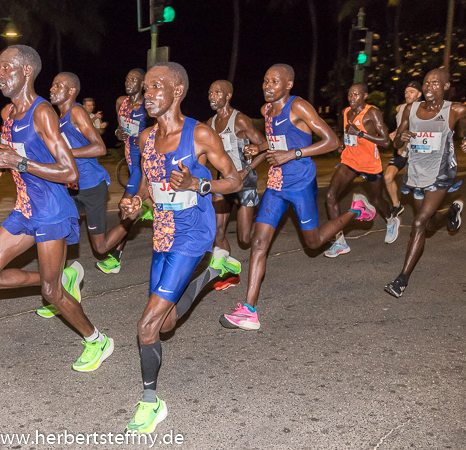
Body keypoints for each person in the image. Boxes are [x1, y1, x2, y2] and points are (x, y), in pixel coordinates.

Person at [0, 46, 113, 372]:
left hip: (51, 210)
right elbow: (10, 152)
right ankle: (59, 277)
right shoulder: (8, 115)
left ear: (25, 72)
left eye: (6, 67)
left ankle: (97, 340)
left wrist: (18, 162)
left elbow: (70, 173)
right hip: (24, 209)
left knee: (52, 293)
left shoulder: (42, 113)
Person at [119, 62, 242, 433]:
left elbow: (236, 180)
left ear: (178, 92)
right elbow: (144, 185)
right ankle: (211, 275)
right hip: (162, 232)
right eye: (147, 88)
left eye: (157, 86)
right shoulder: (144, 139)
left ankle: (150, 402)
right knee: (166, 323)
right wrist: (134, 203)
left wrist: (197, 184)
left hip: (192, 233)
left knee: (146, 325)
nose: (148, 93)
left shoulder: (200, 135)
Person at [220, 64, 376, 331]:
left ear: (289, 85)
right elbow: (277, 140)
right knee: (259, 242)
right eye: (265, 81)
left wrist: (293, 154)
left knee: (313, 242)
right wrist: (260, 148)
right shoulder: (266, 110)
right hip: (276, 183)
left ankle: (355, 210)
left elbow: (333, 142)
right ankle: (249, 310)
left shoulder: (299, 107)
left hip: (301, 183)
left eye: (274, 82)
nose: (268, 86)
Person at [35, 72, 135, 318]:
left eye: (58, 85)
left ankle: (135, 214)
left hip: (91, 186)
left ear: (71, 91)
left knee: (100, 248)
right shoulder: (57, 119)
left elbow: (99, 147)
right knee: (57, 239)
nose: (52, 88)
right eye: (52, 83)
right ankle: (60, 290)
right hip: (70, 188)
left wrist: (66, 152)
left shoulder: (76, 113)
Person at [384, 68, 466, 297]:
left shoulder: (456, 110)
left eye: (435, 83)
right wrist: (400, 139)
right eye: (426, 83)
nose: (429, 87)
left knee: (418, 222)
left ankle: (402, 279)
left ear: (445, 86)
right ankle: (450, 213)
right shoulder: (411, 109)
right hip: (415, 173)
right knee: (428, 225)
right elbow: (397, 141)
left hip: (440, 174)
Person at [206, 80, 268, 291]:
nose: (212, 96)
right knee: (217, 232)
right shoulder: (210, 124)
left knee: (244, 239)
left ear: (228, 96)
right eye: (210, 93)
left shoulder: (240, 120)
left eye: (217, 93)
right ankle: (230, 274)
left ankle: (265, 224)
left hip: (245, 182)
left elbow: (265, 148)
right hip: (223, 183)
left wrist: (246, 170)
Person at [324, 83, 393, 257]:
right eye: (350, 95)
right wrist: (342, 142)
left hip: (370, 163)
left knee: (377, 200)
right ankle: (340, 242)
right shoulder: (346, 112)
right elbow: (348, 132)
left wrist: (361, 134)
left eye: (356, 95)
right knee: (331, 196)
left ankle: (392, 220)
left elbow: (386, 142)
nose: (352, 98)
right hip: (350, 160)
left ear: (364, 96)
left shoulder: (372, 113)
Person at [96, 68, 151, 274]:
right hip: (129, 161)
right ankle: (147, 207)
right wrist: (119, 133)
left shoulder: (148, 103)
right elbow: (121, 129)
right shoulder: (121, 102)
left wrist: (145, 137)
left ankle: (116, 258)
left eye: (134, 79)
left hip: (143, 163)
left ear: (142, 83)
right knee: (134, 206)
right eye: (127, 78)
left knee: (124, 208)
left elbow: (157, 127)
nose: (129, 82)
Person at [383, 81, 423, 243]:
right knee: (387, 177)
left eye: (412, 92)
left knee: (417, 187)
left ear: (419, 94)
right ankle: (396, 205)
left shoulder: (425, 110)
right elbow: (400, 128)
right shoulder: (400, 109)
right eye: (406, 92)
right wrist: (394, 134)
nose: (408, 94)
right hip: (401, 151)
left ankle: (424, 213)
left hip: (417, 152)